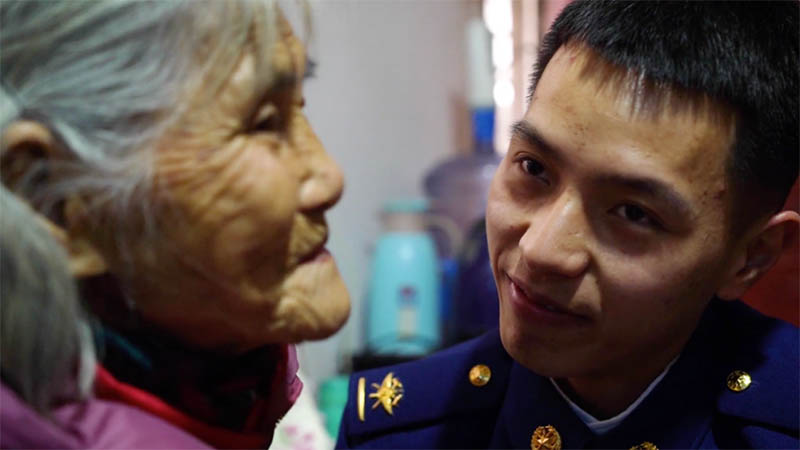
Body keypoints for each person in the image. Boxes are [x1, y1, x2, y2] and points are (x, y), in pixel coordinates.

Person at [336, 1, 799, 448]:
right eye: (534, 169)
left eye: (634, 214)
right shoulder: (401, 429)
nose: (541, 250)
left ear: (750, 258)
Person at [0, 0, 349, 448]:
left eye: (297, 104)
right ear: (51, 200)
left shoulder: (233, 390)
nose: (328, 178)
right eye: (264, 124)